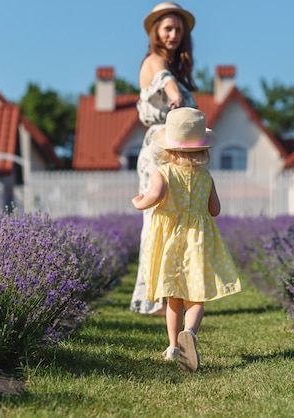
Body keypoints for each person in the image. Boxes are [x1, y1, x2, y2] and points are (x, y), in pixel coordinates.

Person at [131, 108, 242, 371]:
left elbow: (154, 196)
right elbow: (215, 210)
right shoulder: (206, 176)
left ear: (168, 146)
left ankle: (172, 347)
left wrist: (139, 202)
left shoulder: (163, 172)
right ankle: (190, 334)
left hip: (170, 242)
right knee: (196, 299)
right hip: (198, 243)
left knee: (173, 298)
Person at [131, 2, 199, 315]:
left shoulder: (181, 69)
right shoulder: (154, 61)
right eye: (167, 28)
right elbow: (164, 82)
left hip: (179, 151)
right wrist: (175, 97)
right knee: (156, 220)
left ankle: (171, 293)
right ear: (156, 32)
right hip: (159, 149)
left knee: (176, 222)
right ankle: (151, 297)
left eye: (177, 29)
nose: (172, 34)